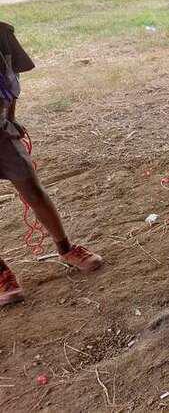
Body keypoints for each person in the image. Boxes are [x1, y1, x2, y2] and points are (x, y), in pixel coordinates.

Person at [0, 23, 103, 306]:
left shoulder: (2, 34)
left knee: (31, 188)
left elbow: (12, 79)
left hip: (1, 131)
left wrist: (11, 118)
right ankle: (2, 273)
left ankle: (66, 248)